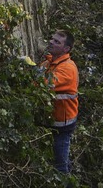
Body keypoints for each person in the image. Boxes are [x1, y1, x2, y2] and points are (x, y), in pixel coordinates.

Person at [40, 30, 79, 174]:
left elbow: (44, 84)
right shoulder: (50, 61)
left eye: (57, 42)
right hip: (53, 119)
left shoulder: (67, 69)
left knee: (60, 165)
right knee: (59, 157)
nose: (51, 42)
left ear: (66, 49)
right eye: (52, 39)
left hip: (62, 124)